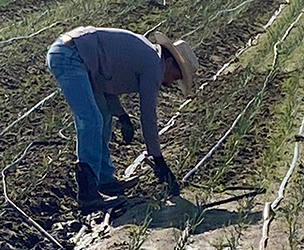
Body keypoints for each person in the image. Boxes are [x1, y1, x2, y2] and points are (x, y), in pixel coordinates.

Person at [46, 26, 198, 212]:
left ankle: (105, 180)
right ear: (169, 62)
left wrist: (121, 114)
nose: (172, 82)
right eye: (177, 75)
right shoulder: (153, 66)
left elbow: (105, 79)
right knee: (91, 120)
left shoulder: (146, 56)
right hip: (70, 56)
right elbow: (148, 115)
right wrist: (158, 159)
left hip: (76, 55)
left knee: (103, 117)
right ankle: (88, 193)